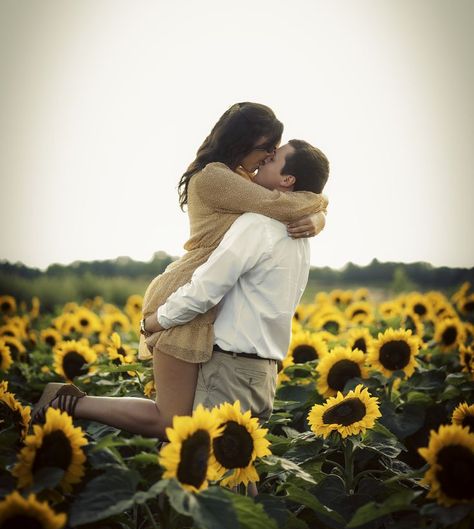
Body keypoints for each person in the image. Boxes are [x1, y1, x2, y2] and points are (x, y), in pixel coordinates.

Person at [32, 103, 327, 439]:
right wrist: (319, 211)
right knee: (171, 421)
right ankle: (68, 401)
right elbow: (281, 203)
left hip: (205, 300)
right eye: (266, 148)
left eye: (275, 151)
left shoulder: (243, 178)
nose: (268, 155)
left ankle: (70, 403)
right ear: (242, 142)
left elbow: (287, 197)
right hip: (186, 291)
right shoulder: (216, 177)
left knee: (181, 422)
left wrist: (315, 217)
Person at [144, 140, 330, 422]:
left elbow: (205, 289)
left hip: (230, 369)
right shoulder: (300, 235)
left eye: (274, 159)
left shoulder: (257, 225)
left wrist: (157, 320)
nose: (266, 157)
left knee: (206, 462)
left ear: (287, 179)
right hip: (265, 373)